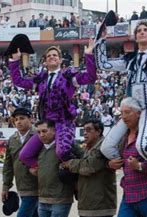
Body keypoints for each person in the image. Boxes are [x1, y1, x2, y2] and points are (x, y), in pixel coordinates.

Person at [94, 21, 147, 161]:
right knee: (106, 147)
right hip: (132, 109)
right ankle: (129, 168)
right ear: (135, 37)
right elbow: (102, 64)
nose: (141, 32)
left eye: (146, 30)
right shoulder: (130, 58)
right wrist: (102, 39)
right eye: (138, 30)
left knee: (143, 145)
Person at [9, 40, 96, 170]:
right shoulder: (40, 79)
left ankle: (78, 171)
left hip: (64, 122)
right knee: (24, 155)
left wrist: (88, 54)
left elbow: (90, 77)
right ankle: (46, 171)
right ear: (44, 62)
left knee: (62, 151)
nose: (52, 57)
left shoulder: (68, 77)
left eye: (55, 55)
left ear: (60, 60)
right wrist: (15, 61)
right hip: (46, 124)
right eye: (49, 56)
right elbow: (18, 81)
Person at [0, 108, 45, 217]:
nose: (18, 122)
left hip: (37, 186)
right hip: (22, 186)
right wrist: (6, 185)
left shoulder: (39, 136)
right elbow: (8, 164)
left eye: (22, 118)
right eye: (16, 119)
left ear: (30, 119)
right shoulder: (13, 139)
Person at [34, 120, 83, 217]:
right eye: (39, 132)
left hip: (61, 196)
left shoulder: (64, 148)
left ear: (54, 131)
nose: (41, 135)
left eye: (44, 131)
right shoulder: (39, 150)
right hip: (43, 197)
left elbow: (81, 159)